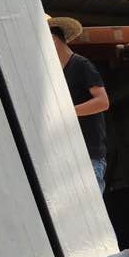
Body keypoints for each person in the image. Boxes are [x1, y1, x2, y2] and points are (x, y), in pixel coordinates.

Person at [48, 16, 110, 193]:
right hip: (73, 155)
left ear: (53, 40)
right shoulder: (60, 74)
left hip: (89, 156)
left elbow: (103, 102)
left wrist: (68, 111)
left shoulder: (81, 65)